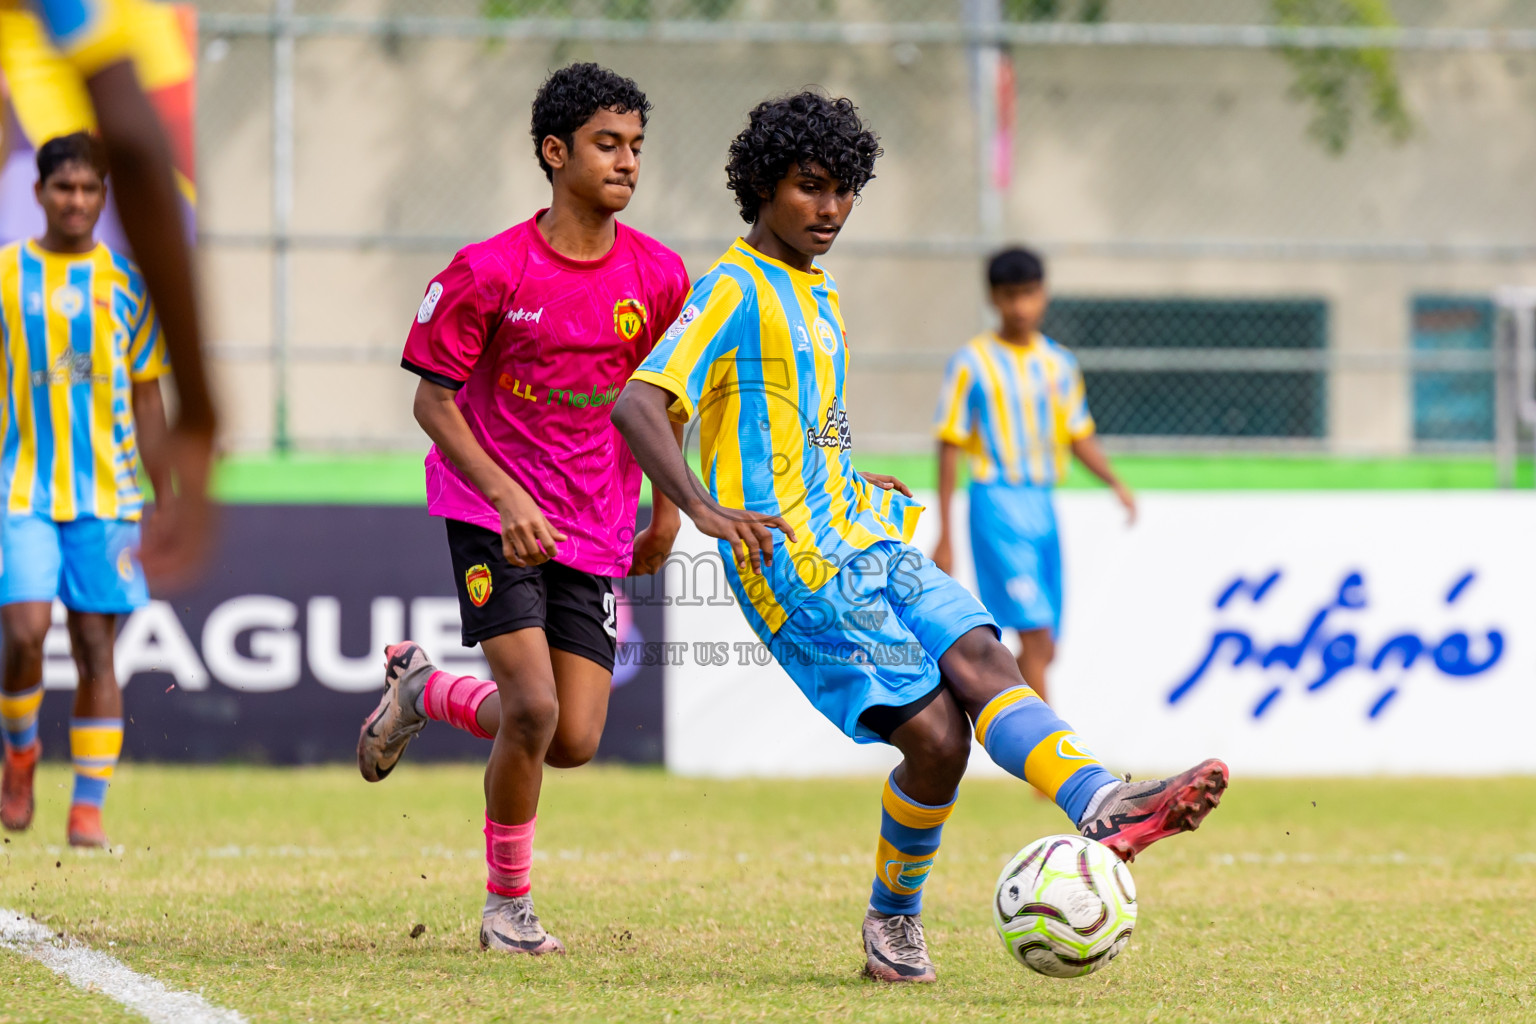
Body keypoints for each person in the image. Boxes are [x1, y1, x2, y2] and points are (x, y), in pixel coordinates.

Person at [610, 91, 1228, 985]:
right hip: (794, 566)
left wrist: (856, 484)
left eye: (844, 191)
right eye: (810, 188)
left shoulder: (817, 296)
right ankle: (893, 921)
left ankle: (1102, 801)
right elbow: (639, 402)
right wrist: (702, 511)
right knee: (939, 739)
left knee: (985, 654)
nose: (829, 210)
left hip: (865, 532)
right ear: (762, 188)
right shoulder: (733, 288)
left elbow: (796, 432)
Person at [353, 63, 689, 956]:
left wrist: (668, 509)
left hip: (598, 519)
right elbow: (434, 401)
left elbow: (664, 400)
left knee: (571, 737)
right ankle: (508, 908)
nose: (626, 162)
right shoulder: (488, 270)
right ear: (554, 152)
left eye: (636, 148)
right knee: (533, 709)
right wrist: (504, 494)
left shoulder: (659, 276)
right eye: (606, 144)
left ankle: (428, 690)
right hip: (489, 507)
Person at [4, 0, 218, 590]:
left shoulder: (107, 284)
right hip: (30, 485)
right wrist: (199, 413)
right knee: (29, 632)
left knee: (86, 642)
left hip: (92, 486)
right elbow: (130, 137)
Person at [0, 132, 171, 848]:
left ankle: (87, 809)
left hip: (109, 498)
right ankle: (20, 755)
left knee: (98, 647)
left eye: (89, 189)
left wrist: (166, 497)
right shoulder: (7, 275)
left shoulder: (129, 286)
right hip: (22, 492)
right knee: (25, 632)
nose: (76, 200)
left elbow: (148, 397)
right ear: (39, 193)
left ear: (104, 197)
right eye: (64, 187)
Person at [931, 247, 1136, 704]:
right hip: (996, 504)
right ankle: (1052, 772)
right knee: (1036, 637)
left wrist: (1113, 481)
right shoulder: (973, 363)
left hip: (1042, 504)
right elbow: (949, 444)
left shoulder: (1059, 364)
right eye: (1009, 296)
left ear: (1043, 295)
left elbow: (1077, 433)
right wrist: (945, 532)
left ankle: (1009, 729)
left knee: (1046, 647)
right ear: (993, 298)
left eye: (1028, 294)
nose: (1020, 307)